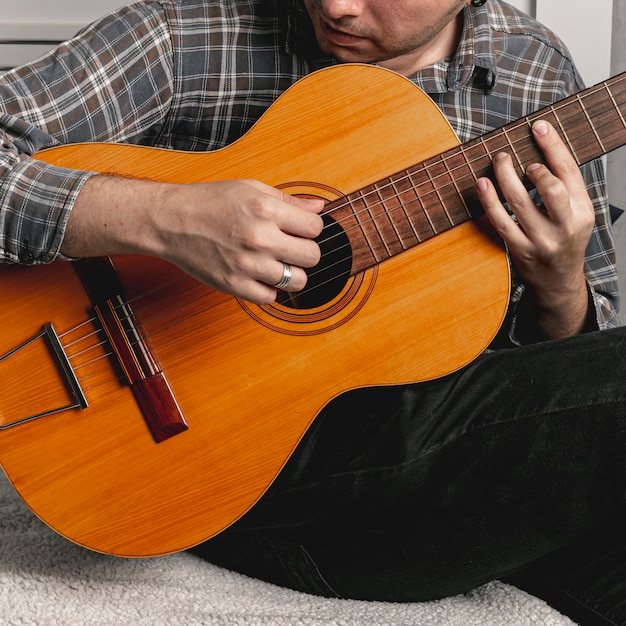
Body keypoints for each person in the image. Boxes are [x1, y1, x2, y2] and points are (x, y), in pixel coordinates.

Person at [0, 0, 624, 623]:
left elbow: (566, 400)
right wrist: (165, 219)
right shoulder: (187, 34)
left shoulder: (535, 72)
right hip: (236, 484)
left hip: (455, 472)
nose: (337, 6)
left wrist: (561, 284)